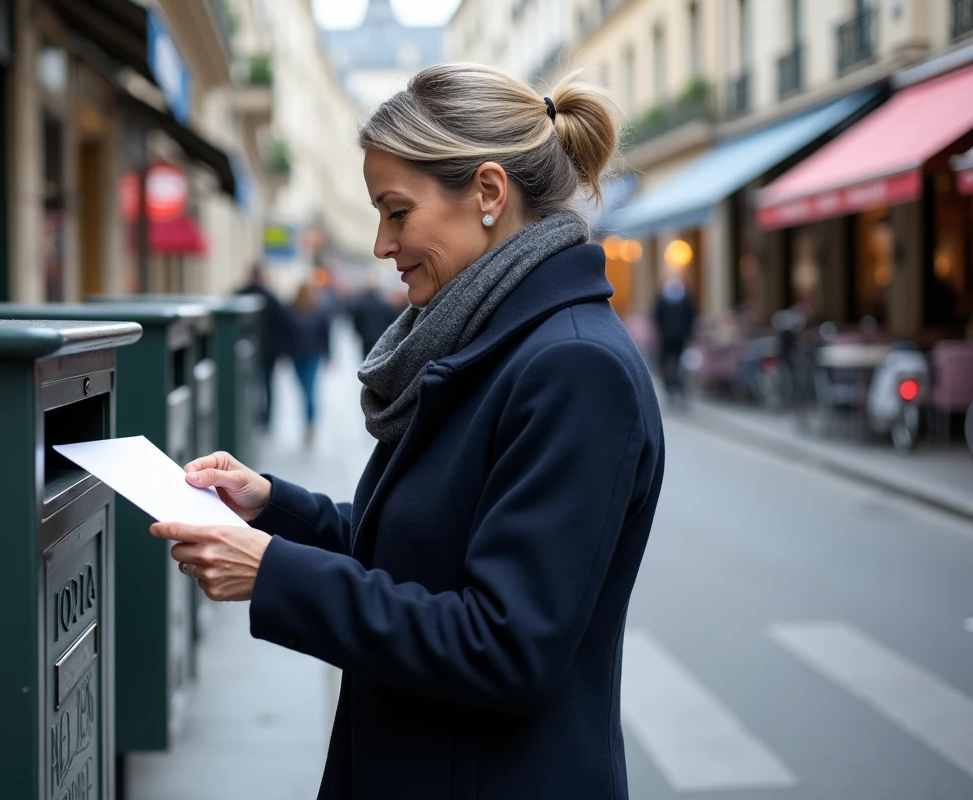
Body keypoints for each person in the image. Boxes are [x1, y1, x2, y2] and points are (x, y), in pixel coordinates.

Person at [151, 63, 664, 799]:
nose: (381, 244)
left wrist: (275, 574)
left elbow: (506, 647)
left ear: (488, 193)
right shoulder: (493, 338)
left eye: (397, 211)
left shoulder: (574, 367)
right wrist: (272, 507)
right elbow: (424, 549)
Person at [236, 265, 290, 429]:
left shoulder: (240, 295)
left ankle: (249, 415)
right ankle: (267, 418)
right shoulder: (271, 298)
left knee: (248, 384)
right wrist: (282, 350)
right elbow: (283, 325)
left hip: (243, 350)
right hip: (268, 351)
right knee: (268, 385)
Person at [287, 282, 332, 446]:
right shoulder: (318, 310)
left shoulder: (292, 310)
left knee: (306, 389)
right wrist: (328, 354)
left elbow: (287, 333)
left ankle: (309, 421)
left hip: (299, 354)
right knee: (309, 388)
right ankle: (310, 422)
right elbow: (325, 334)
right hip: (312, 353)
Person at [652, 271, 697, 405]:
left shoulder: (678, 298)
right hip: (671, 337)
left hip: (676, 337)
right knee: (669, 363)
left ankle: (678, 387)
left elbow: (691, 316)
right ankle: (672, 387)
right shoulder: (667, 298)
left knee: (679, 363)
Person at [347, 279, 400, 357]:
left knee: (366, 358)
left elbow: (356, 321)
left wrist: (360, 332)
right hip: (380, 336)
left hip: (366, 337)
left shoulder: (360, 304)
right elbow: (390, 320)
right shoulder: (383, 304)